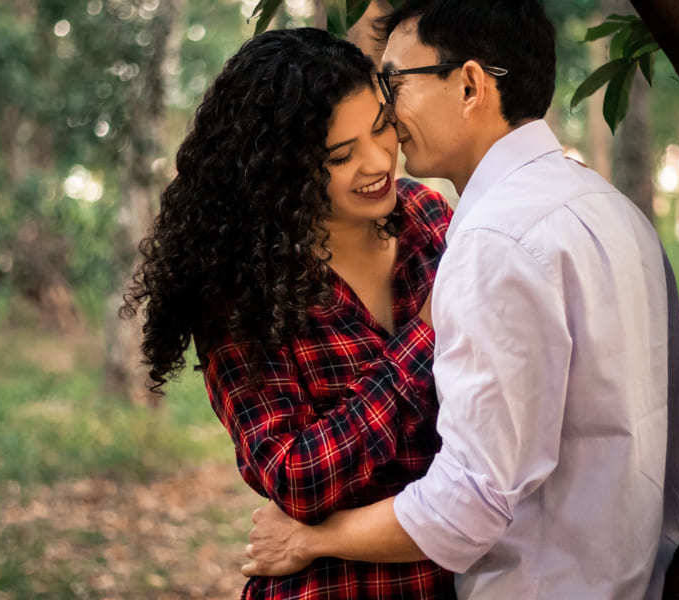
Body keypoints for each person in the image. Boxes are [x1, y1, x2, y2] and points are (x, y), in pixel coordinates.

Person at [242, 1, 679, 598]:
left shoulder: (493, 242)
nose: (388, 112)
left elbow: (469, 501)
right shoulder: (615, 213)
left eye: (395, 81)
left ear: (471, 84)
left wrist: (313, 539)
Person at [121, 27, 456, 599]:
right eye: (340, 156)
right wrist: (425, 337)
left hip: (461, 575)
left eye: (382, 128)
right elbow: (297, 477)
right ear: (285, 170)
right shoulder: (243, 291)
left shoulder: (427, 220)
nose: (378, 162)